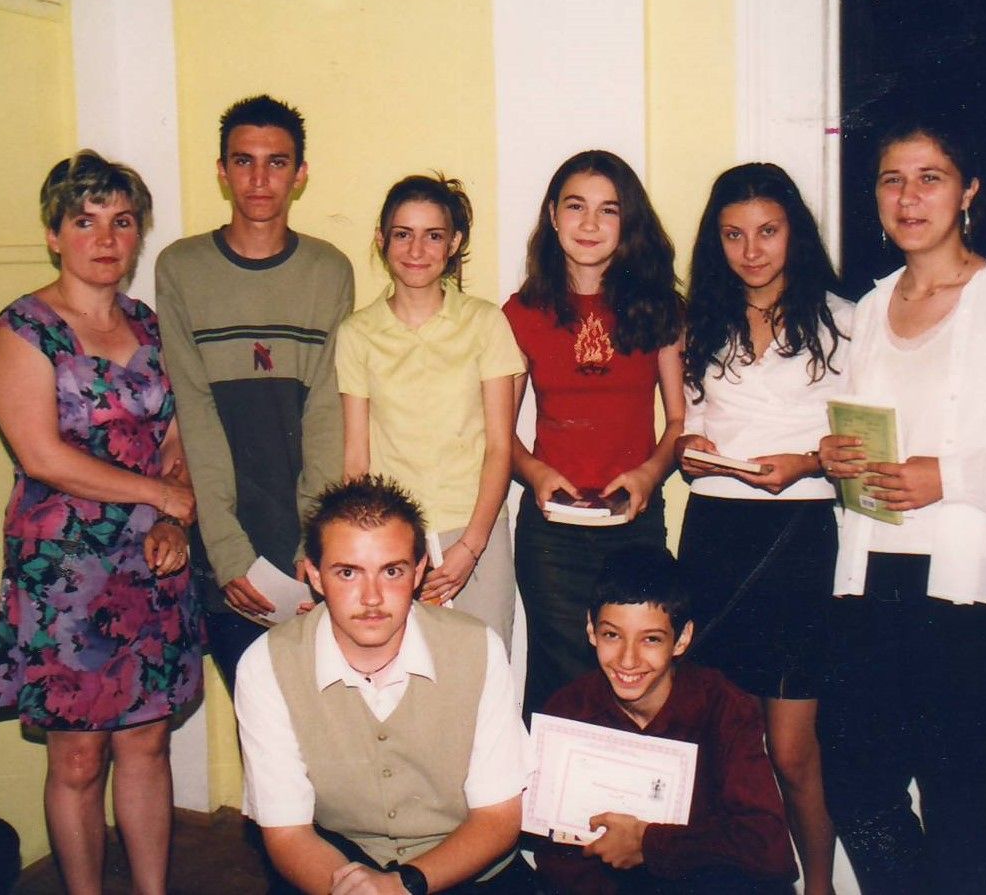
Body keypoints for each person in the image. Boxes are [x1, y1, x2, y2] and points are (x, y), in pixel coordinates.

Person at [816, 122, 986, 895]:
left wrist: (950, 476)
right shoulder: (871, 308)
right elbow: (869, 432)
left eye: (930, 177)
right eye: (892, 179)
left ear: (968, 191)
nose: (909, 197)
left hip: (972, 594)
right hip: (871, 581)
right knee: (856, 779)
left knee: (958, 792)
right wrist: (835, 455)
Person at [0, 150, 202, 894]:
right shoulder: (25, 330)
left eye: (122, 221)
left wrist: (175, 515)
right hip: (66, 573)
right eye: (85, 221)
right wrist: (160, 497)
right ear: (54, 234)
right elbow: (43, 456)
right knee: (78, 758)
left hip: (153, 562)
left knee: (146, 742)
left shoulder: (151, 325)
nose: (106, 238)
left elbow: (180, 436)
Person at [674, 163, 850, 895]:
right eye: (734, 235)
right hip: (713, 533)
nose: (751, 251)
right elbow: (683, 431)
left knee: (792, 748)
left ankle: (820, 886)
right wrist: (687, 450)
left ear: (794, 233)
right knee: (719, 738)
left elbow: (859, 446)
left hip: (798, 535)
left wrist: (806, 463)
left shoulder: (845, 320)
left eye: (768, 231)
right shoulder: (698, 324)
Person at [234, 476, 534, 894]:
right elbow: (288, 833)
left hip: (463, 868)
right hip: (338, 867)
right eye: (348, 573)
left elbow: (498, 818)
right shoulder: (267, 664)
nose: (372, 597)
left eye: (392, 571)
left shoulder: (476, 647)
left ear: (419, 571)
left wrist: (402, 885)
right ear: (315, 576)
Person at [157, 94, 354, 689]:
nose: (260, 179)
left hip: (306, 540)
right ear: (222, 171)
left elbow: (326, 415)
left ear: (300, 174)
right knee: (256, 715)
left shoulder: (328, 270)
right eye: (244, 161)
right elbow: (195, 412)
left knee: (320, 715)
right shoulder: (181, 268)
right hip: (223, 536)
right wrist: (227, 552)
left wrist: (315, 540)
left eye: (277, 162)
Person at [504, 150, 685, 716]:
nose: (589, 224)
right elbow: (499, 432)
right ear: (552, 215)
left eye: (608, 210)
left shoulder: (660, 309)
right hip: (551, 533)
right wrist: (535, 473)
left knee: (634, 678)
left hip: (634, 521)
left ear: (628, 221)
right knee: (560, 681)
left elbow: (679, 422)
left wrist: (649, 475)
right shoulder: (521, 312)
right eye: (575, 206)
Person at [533, 545, 797, 895]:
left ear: (682, 639)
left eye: (651, 639)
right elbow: (556, 855)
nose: (628, 660)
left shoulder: (722, 707)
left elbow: (770, 849)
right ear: (591, 630)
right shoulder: (569, 711)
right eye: (612, 634)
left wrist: (649, 843)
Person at [337, 175, 524, 651]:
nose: (417, 250)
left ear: (453, 243)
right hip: (393, 534)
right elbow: (356, 457)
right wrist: (364, 548)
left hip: (475, 528)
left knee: (485, 666)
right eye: (403, 234)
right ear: (382, 240)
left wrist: (471, 547)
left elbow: (500, 445)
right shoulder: (357, 333)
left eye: (433, 235)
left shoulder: (485, 322)